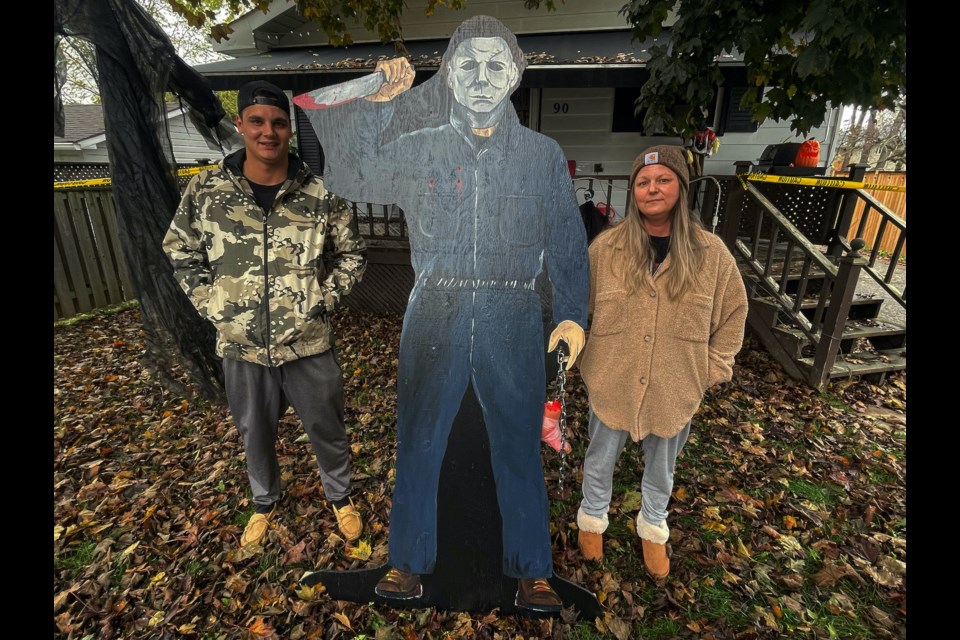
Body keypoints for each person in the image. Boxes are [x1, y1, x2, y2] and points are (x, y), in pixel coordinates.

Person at [296, 16, 589, 612]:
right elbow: (350, 173)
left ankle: (531, 570)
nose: (481, 78)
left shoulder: (540, 155)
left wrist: (572, 314)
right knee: (420, 439)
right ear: (450, 76)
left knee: (516, 444)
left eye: (495, 65)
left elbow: (565, 240)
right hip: (435, 312)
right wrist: (378, 103)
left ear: (514, 75)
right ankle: (408, 562)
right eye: (467, 65)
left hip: (514, 312)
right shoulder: (421, 148)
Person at [162, 80, 368, 551]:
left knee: (327, 425)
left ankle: (340, 496)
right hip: (242, 344)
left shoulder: (320, 194)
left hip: (308, 342)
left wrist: (322, 298)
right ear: (241, 126)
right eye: (257, 121)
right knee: (254, 430)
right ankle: (263, 501)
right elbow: (179, 251)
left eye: (278, 123)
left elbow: (352, 254)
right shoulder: (208, 191)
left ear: (289, 131)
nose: (268, 132)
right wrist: (212, 304)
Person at [574, 145, 748, 580]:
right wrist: (582, 352)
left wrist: (710, 369)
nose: (653, 189)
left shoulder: (712, 255)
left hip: (676, 384)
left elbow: (733, 315)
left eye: (663, 180)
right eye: (643, 182)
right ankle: (592, 516)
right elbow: (577, 308)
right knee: (599, 457)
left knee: (663, 465)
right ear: (634, 192)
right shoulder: (606, 250)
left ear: (681, 188)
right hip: (612, 377)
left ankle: (653, 525)